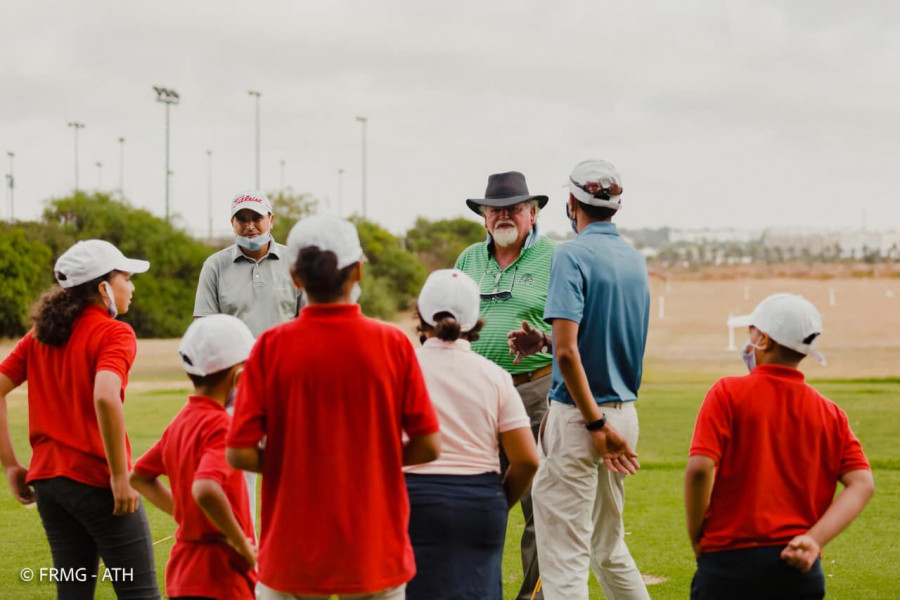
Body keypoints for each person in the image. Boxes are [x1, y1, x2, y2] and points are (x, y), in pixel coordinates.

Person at [226, 214, 441, 600]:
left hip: (291, 557)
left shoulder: (269, 348)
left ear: (295, 277)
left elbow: (240, 452)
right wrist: (375, 460)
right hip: (375, 553)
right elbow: (428, 446)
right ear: (357, 271)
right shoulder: (393, 345)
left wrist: (293, 464)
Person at [512, 159, 650, 600]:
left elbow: (572, 352)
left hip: (581, 421)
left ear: (572, 203)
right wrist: (547, 342)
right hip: (624, 415)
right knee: (608, 549)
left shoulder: (569, 253)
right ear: (617, 205)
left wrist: (593, 425)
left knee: (563, 561)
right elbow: (588, 342)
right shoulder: (634, 259)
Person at [685, 293, 874, 600]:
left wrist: (697, 537)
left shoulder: (726, 392)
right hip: (799, 569)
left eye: (752, 330)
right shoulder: (830, 413)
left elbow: (699, 469)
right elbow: (862, 483)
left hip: (728, 564)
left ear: (764, 339)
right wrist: (814, 541)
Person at [0, 239, 160, 599]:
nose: (131, 287)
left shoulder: (39, 335)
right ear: (103, 288)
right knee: (140, 593)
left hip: (50, 487)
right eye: (126, 278)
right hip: (96, 482)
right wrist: (120, 475)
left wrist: (11, 466)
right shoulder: (115, 332)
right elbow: (105, 394)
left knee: (73, 594)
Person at [405, 269, 539, 600]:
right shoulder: (494, 376)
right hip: (480, 501)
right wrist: (495, 503)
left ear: (421, 316)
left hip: (413, 500)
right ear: (476, 320)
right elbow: (526, 460)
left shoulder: (400, 369)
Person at [454, 170, 554, 600]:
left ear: (532, 214)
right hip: (477, 394)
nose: (504, 216)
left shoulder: (555, 258)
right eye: (495, 209)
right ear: (484, 218)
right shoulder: (468, 260)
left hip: (537, 391)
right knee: (476, 498)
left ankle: (531, 596)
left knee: (538, 505)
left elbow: (575, 327)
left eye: (514, 208)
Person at [194, 190, 304, 521]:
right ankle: (249, 550)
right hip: (235, 385)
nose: (250, 226)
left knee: (291, 468)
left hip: (287, 379)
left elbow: (308, 323)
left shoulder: (295, 262)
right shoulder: (215, 265)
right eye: (242, 220)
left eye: (256, 218)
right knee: (240, 472)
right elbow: (205, 327)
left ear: (271, 220)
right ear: (233, 224)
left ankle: (290, 547)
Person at [130, 314, 258, 600]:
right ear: (238, 375)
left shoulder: (180, 422)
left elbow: (139, 477)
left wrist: (187, 516)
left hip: (183, 573)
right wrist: (241, 544)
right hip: (221, 577)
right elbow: (205, 488)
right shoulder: (222, 426)